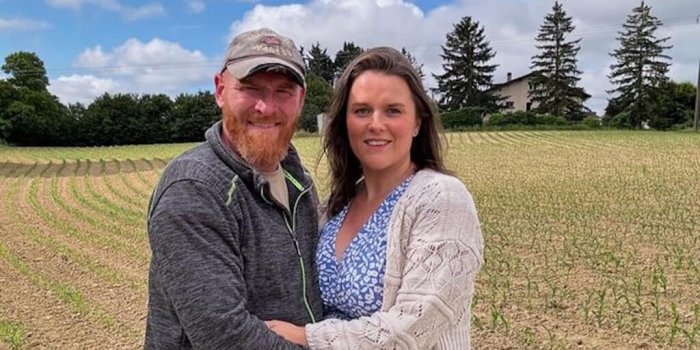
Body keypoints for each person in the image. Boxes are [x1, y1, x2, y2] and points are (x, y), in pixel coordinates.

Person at [266, 47, 484, 349]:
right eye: (362, 111)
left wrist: (308, 337)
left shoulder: (442, 199)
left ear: (417, 122)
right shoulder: (335, 206)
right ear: (345, 121)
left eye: (392, 110)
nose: (375, 124)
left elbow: (415, 325)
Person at [144, 28, 323, 349]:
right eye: (250, 89)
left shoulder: (298, 179)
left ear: (301, 100)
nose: (266, 107)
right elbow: (226, 336)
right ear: (220, 90)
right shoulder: (195, 189)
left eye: (283, 91)